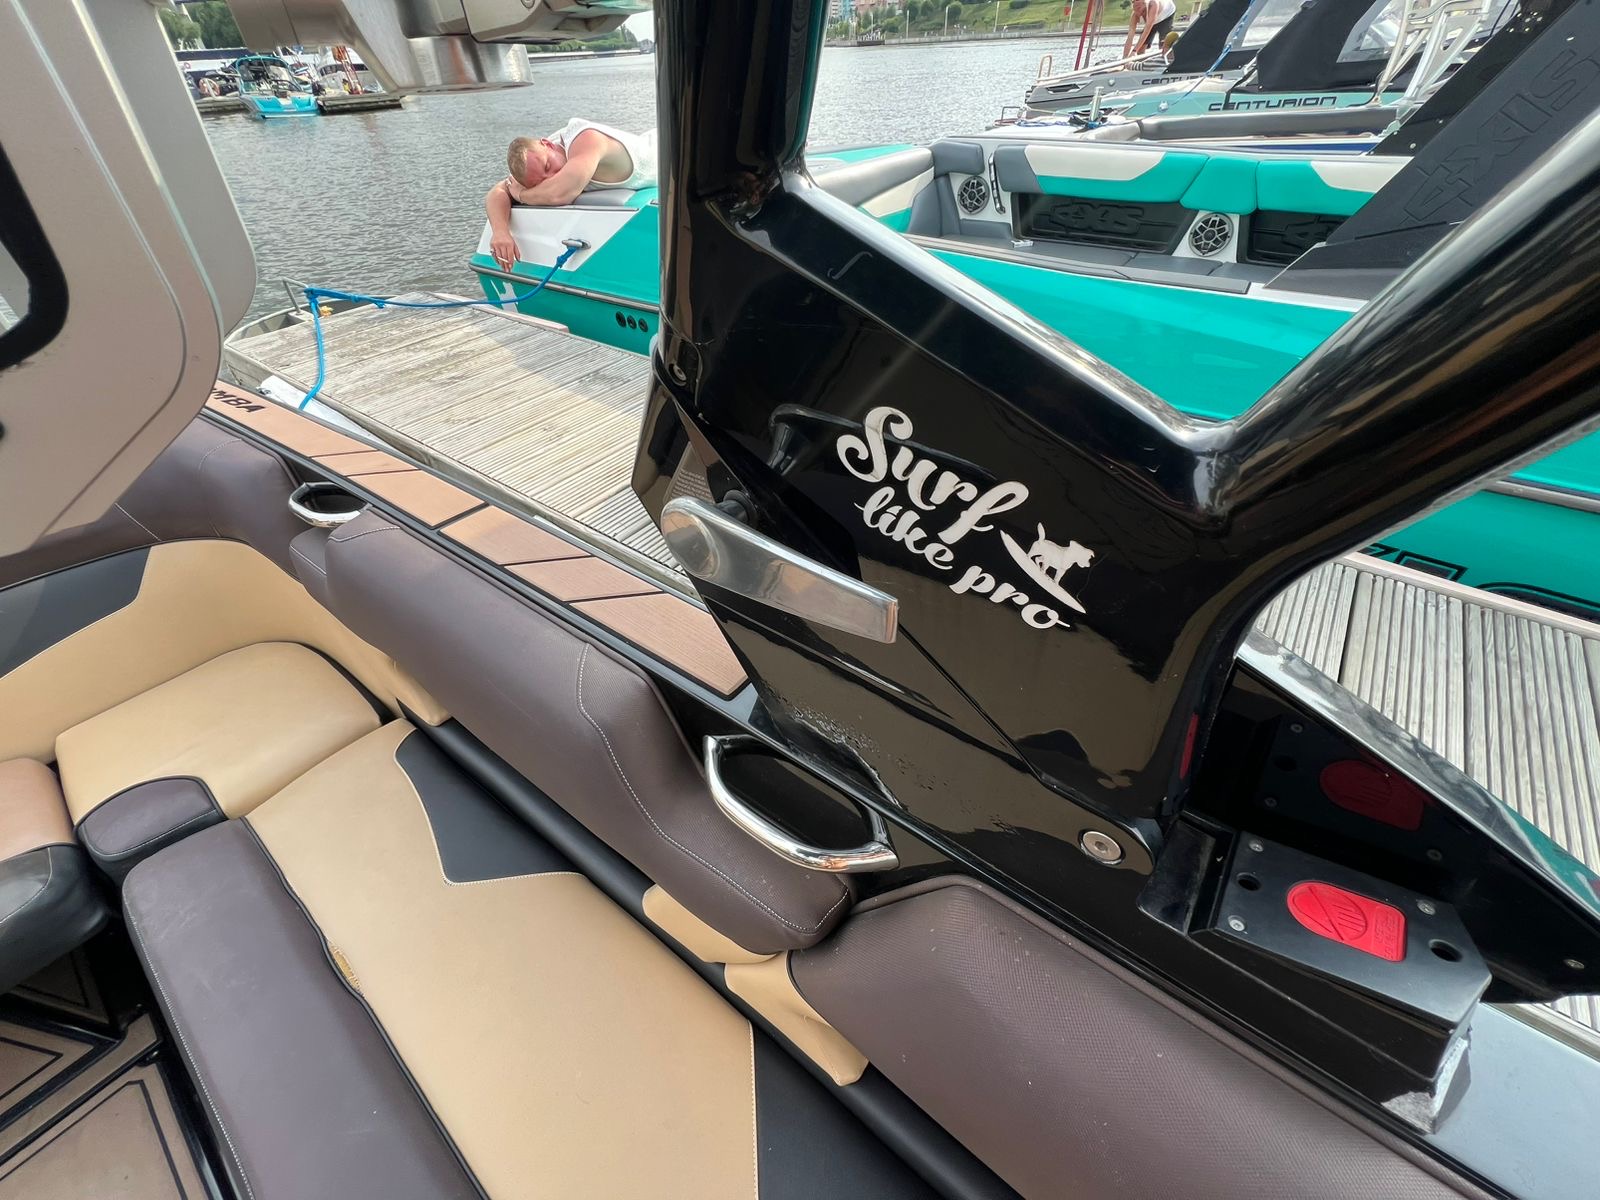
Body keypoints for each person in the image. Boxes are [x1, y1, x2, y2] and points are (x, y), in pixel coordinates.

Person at [484, 120, 657, 272]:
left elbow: (560, 193)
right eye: (540, 182)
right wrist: (500, 232)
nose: (551, 177)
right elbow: (497, 192)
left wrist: (521, 194)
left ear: (548, 144)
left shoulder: (586, 138)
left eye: (547, 166)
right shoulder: (538, 159)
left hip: (666, 150)